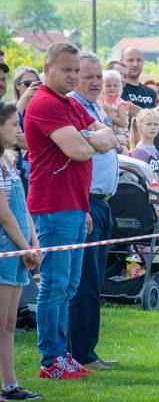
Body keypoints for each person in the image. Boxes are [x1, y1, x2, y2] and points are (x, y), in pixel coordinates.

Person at [26, 43, 117, 379]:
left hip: (76, 206)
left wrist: (88, 138)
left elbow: (106, 137)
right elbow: (80, 150)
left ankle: (63, 355)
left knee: (70, 285)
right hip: (54, 206)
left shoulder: (69, 105)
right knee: (55, 284)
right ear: (47, 69)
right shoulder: (46, 104)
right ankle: (51, 359)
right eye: (67, 70)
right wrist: (88, 139)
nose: (73, 76)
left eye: (76, 70)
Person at [67, 52, 121, 372]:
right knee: (84, 282)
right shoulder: (74, 106)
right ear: (74, 76)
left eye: (98, 76)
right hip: (86, 201)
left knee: (94, 281)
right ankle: (79, 354)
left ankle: (88, 350)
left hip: (103, 202)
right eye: (89, 76)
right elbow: (97, 143)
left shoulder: (95, 105)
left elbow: (110, 139)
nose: (96, 82)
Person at [0, 103, 43, 400]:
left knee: (10, 323)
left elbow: (23, 207)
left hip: (19, 247)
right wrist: (25, 246)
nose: (19, 130)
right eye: (14, 124)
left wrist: (34, 242)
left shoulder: (9, 161)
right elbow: (4, 215)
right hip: (6, 247)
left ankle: (11, 384)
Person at [120, 47, 157, 117]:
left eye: (139, 60)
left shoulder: (151, 93)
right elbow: (128, 108)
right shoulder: (117, 89)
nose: (135, 64)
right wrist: (153, 116)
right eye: (130, 60)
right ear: (122, 62)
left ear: (143, 62)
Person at [99, 69, 130, 153]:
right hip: (105, 132)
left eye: (115, 85)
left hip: (119, 133)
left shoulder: (120, 103)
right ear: (102, 86)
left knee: (123, 149)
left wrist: (109, 113)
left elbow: (123, 123)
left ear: (120, 87)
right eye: (108, 85)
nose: (112, 88)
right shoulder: (100, 101)